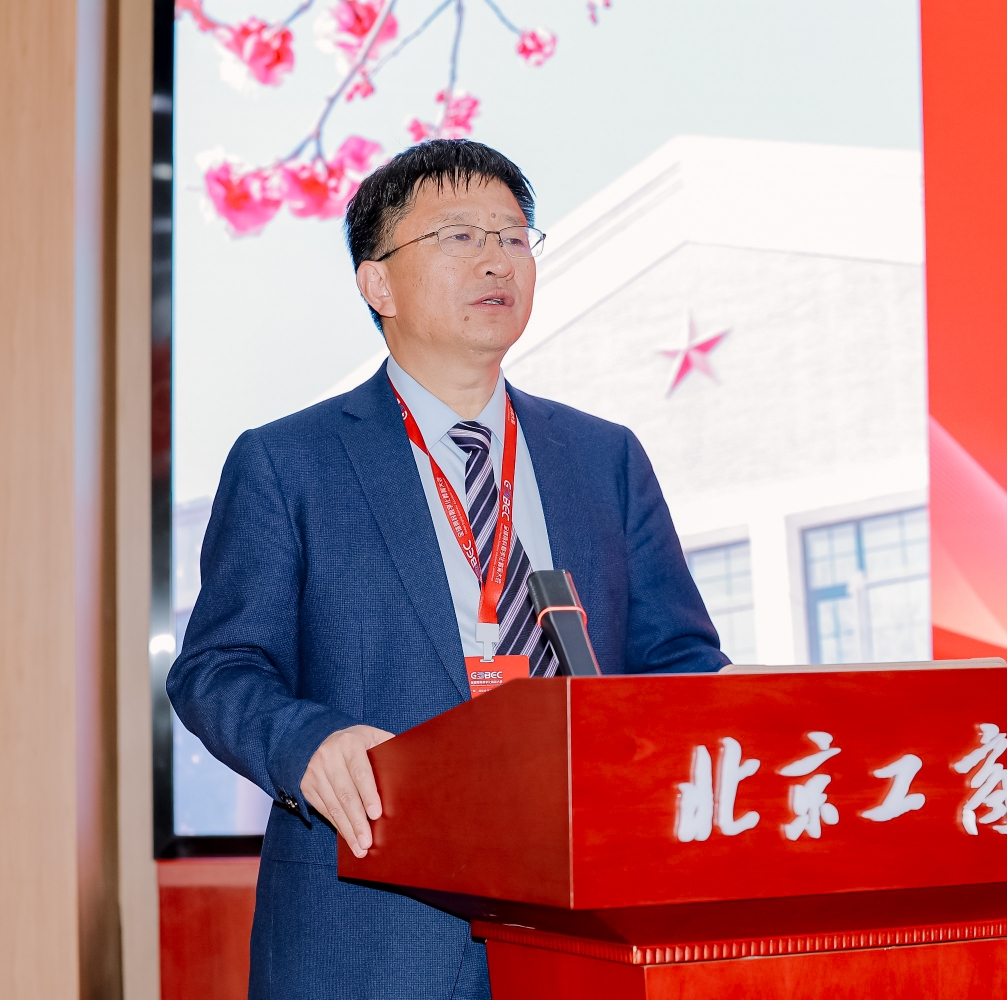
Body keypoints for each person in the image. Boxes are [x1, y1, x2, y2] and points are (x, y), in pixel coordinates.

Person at [168, 139, 728, 999]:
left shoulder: (604, 458)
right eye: (460, 236)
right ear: (378, 284)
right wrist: (308, 742)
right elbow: (217, 668)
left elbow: (681, 662)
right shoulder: (289, 462)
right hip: (373, 929)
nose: (497, 259)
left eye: (513, 236)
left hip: (589, 924)